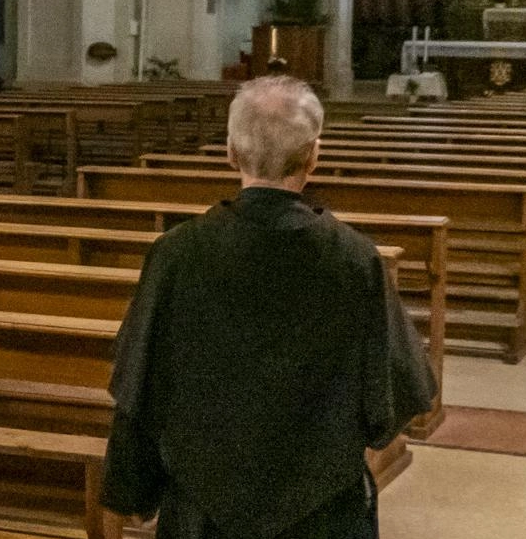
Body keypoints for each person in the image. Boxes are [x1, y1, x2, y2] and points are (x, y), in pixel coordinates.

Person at [101, 75, 437, 539]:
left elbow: (141, 387)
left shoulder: (176, 254)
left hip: (204, 512)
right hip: (321, 512)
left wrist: (128, 493)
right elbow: (399, 396)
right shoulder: (356, 259)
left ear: (231, 153)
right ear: (315, 155)